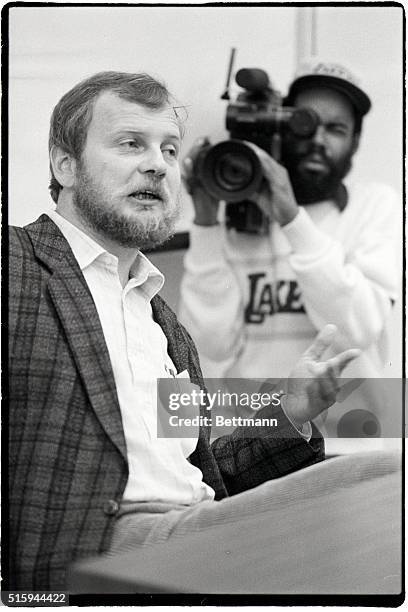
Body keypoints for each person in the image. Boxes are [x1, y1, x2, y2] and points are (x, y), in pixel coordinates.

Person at [7, 70, 393, 592]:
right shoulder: (17, 266)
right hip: (98, 547)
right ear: (65, 164)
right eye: (130, 144)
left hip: (204, 527)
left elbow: (213, 472)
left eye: (169, 150)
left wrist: (290, 411)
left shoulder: (163, 324)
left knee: (389, 478)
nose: (156, 165)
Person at [179, 59, 400, 440]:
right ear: (282, 124)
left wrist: (291, 219)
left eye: (336, 129)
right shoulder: (239, 215)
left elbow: (358, 327)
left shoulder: (375, 204)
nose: (318, 139)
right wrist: (205, 223)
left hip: (351, 447)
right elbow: (209, 346)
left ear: (355, 142)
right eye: (307, 123)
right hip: (256, 447)